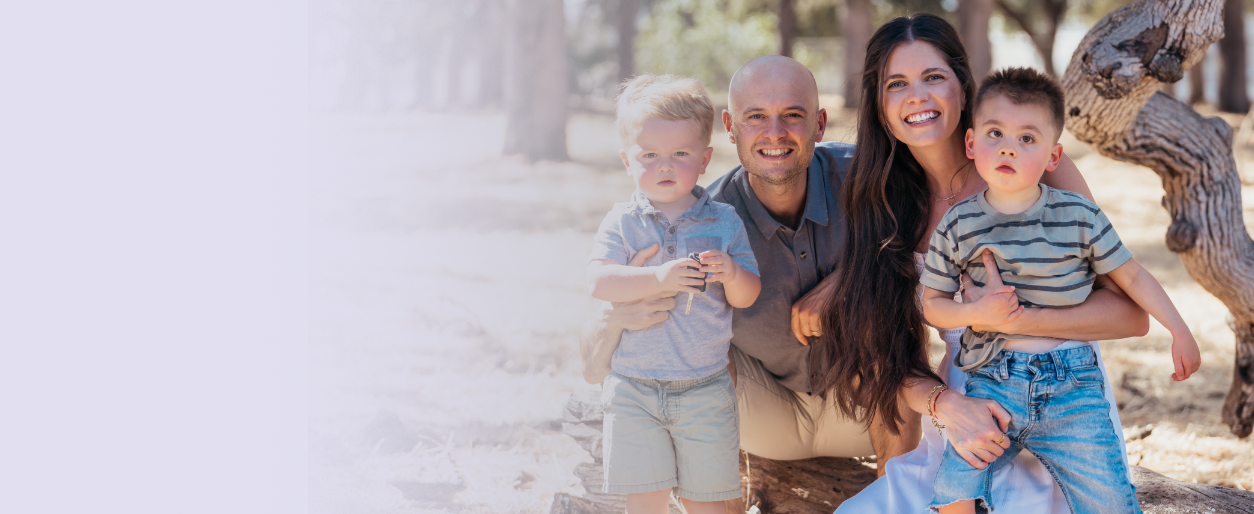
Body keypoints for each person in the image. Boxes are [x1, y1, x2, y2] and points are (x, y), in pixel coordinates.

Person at [823, 14, 1152, 514]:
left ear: (963, 86)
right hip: (968, 411)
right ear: (880, 106)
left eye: (934, 77)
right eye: (897, 84)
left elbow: (1131, 314)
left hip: (1063, 403)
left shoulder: (1042, 169)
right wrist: (947, 406)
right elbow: (883, 354)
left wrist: (1014, 318)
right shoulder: (884, 201)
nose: (917, 96)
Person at [582, 55, 930, 470]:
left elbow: (935, 244)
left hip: (867, 406)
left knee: (886, 327)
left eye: (793, 115)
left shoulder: (870, 179)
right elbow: (591, 365)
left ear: (820, 123)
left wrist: (851, 282)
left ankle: (901, 498)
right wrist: (618, 316)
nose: (775, 133)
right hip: (764, 412)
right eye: (756, 117)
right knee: (701, 357)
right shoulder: (698, 217)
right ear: (730, 128)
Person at [920, 67, 1201, 514]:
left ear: (1054, 156)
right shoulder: (959, 224)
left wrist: (1179, 330)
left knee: (1109, 500)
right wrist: (979, 315)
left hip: (1073, 382)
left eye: (1028, 139)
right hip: (992, 380)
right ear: (972, 144)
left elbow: (1130, 275)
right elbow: (931, 305)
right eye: (995, 133)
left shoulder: (1077, 216)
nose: (1009, 146)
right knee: (957, 486)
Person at [587, 73, 762, 514]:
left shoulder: (724, 222)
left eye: (680, 153)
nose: (665, 165)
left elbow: (748, 296)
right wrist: (658, 279)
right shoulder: (621, 222)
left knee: (711, 504)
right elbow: (600, 282)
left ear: (704, 159)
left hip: (705, 389)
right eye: (650, 155)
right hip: (634, 391)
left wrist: (732, 272)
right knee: (644, 503)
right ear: (627, 160)